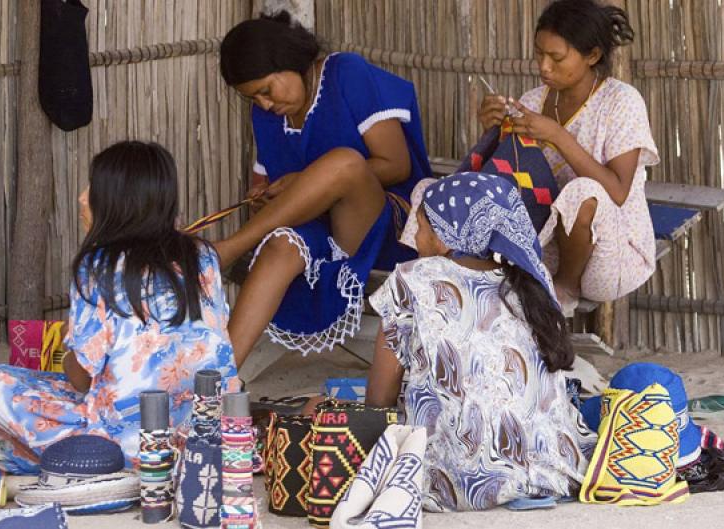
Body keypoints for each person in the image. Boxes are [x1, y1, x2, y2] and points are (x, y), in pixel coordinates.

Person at [0, 141, 238, 473]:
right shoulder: (201, 256)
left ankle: (51, 458)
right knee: (43, 382)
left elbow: (81, 379)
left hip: (118, 446)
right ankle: (29, 455)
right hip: (206, 438)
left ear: (119, 203)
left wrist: (69, 347)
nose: (82, 197)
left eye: (93, 188)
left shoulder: (98, 266)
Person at [366, 172, 595, 511]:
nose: (416, 238)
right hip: (554, 472)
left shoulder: (413, 278)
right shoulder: (531, 281)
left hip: (456, 483)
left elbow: (378, 400)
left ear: (445, 236)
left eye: (422, 227)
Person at [216, 11, 431, 364]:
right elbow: (275, 187)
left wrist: (304, 181)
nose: (265, 104)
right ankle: (217, 378)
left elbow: (396, 164)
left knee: (345, 163)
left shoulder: (345, 74)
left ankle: (232, 246)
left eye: (266, 91)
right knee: (281, 245)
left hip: (384, 228)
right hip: (323, 234)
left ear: (287, 61)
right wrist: (268, 196)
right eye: (253, 99)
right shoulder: (267, 115)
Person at [478, 0, 659, 315]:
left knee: (583, 192)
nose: (544, 67)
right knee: (433, 189)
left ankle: (564, 289)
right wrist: (492, 130)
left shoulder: (622, 102)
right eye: (539, 53)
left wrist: (558, 136)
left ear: (592, 55)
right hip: (542, 249)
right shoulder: (533, 101)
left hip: (609, 257)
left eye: (556, 58)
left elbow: (616, 191)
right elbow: (506, 176)